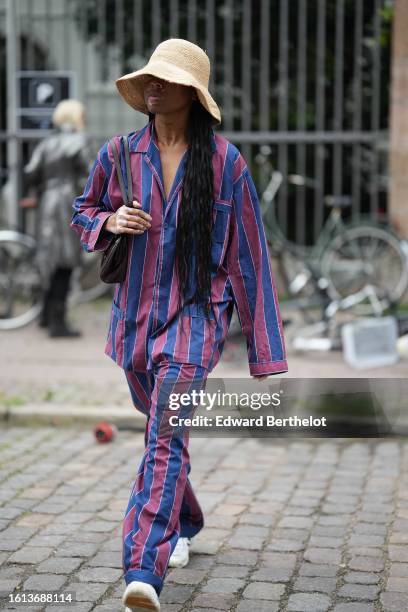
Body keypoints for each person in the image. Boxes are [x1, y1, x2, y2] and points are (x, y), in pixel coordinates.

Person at [71, 38, 288, 612]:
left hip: (195, 321)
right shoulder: (119, 154)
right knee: (162, 430)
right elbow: (83, 210)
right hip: (133, 323)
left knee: (164, 437)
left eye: (163, 80)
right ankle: (185, 518)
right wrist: (111, 218)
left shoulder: (225, 165)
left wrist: (265, 351)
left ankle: (145, 565)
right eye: (148, 78)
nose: (151, 86)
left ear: (190, 93)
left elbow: (249, 258)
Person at [24, 99, 90, 337]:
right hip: (67, 203)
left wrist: (41, 188)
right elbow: (88, 176)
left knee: (50, 259)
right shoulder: (79, 141)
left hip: (47, 202)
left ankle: (45, 316)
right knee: (65, 262)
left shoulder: (46, 142)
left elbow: (30, 172)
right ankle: (57, 323)